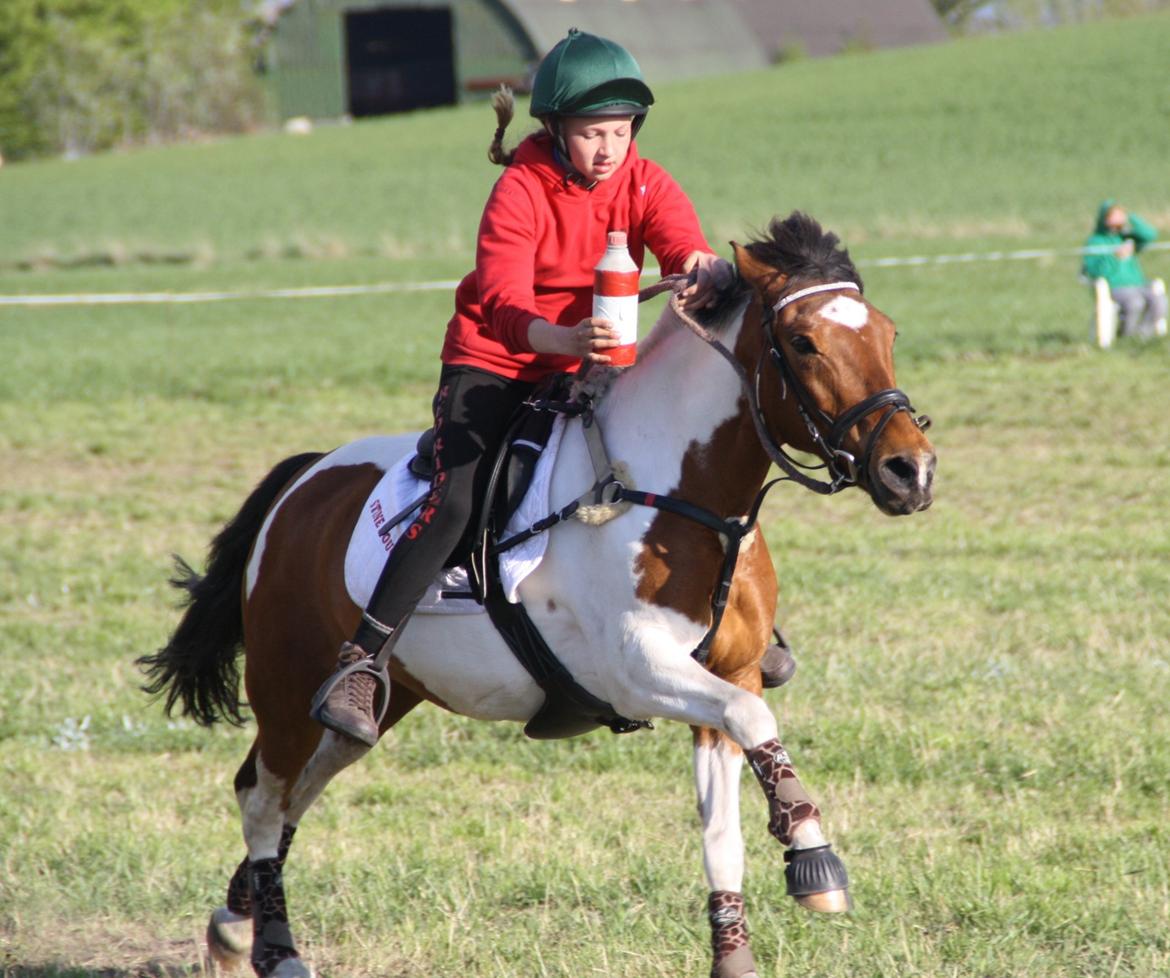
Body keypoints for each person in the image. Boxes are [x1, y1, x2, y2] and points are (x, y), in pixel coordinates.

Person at [311, 29, 740, 747]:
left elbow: (679, 241)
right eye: (592, 134)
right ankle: (364, 660)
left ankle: (736, 620)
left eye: (620, 131)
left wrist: (700, 265)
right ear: (554, 129)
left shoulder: (643, 178)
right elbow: (506, 307)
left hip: (594, 365)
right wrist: (563, 341)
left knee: (678, 462)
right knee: (458, 497)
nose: (609, 148)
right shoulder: (519, 188)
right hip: (496, 363)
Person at [1082, 200, 1167, 338]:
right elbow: (1094, 270)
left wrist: (1130, 218)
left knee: (1159, 301)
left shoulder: (1125, 237)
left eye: (1120, 214)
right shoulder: (1096, 241)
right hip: (1114, 286)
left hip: (1137, 283)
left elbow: (1150, 235)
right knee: (1135, 302)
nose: (1117, 219)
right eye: (1113, 215)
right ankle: (1127, 336)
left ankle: (1143, 336)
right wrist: (1114, 256)